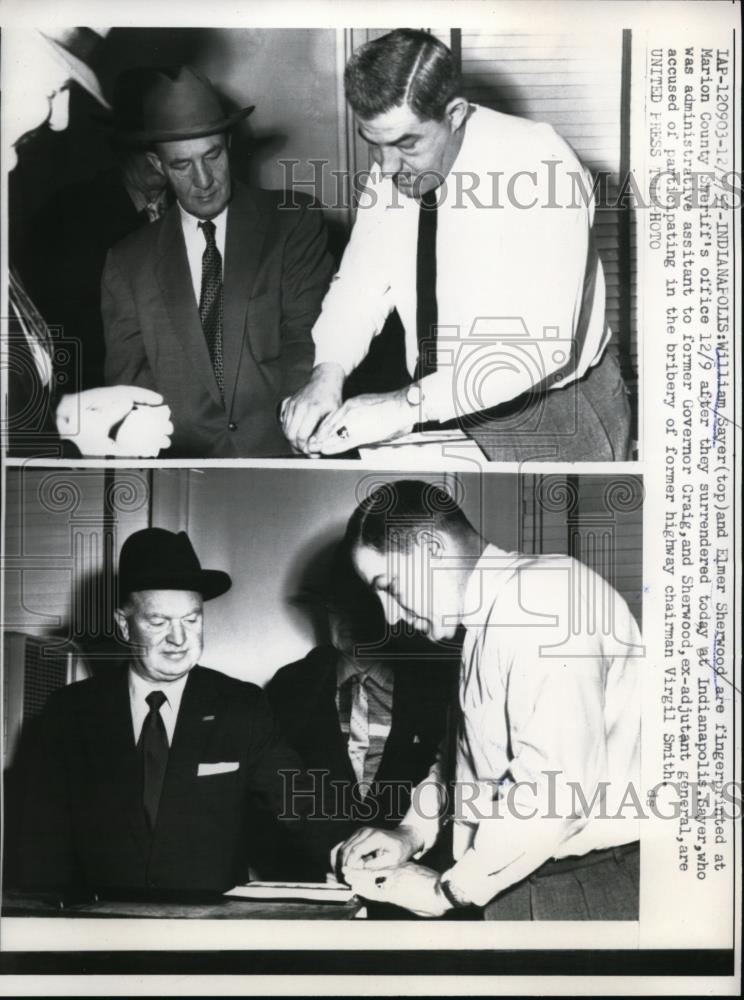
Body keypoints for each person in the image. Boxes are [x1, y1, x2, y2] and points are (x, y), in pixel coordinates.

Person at [281, 29, 632, 462]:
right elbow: (362, 281)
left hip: (548, 410)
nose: (386, 167)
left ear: (456, 113)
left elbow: (542, 347)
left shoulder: (543, 167)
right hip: (433, 402)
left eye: (406, 143)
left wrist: (402, 406)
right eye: (373, 143)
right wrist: (327, 371)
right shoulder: (396, 164)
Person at [335, 480, 642, 919]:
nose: (391, 616)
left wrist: (448, 891)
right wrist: (409, 833)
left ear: (432, 549)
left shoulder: (540, 600)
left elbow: (554, 793)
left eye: (390, 586)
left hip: (578, 886)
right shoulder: (491, 618)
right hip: (519, 880)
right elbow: (462, 762)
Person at [13, 528, 328, 896]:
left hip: (204, 938)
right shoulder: (69, 713)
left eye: (191, 620)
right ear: (123, 624)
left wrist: (349, 848)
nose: (179, 639)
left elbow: (299, 799)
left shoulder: (242, 706)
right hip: (101, 935)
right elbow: (37, 846)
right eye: (159, 622)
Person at [102, 66, 335, 458]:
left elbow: (307, 339)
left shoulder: (293, 220)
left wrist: (293, 435)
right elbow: (131, 394)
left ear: (229, 144)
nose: (204, 179)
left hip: (286, 453)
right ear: (157, 165)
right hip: (184, 465)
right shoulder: (127, 264)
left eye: (212, 156)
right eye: (181, 165)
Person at [2, 28, 173, 459]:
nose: (58, 119)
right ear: (125, 147)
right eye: (158, 145)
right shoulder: (71, 217)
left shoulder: (196, 217)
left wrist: (66, 417)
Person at [260, 543, 455, 880]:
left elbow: (451, 785)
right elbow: (271, 793)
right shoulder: (291, 685)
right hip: (314, 884)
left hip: (412, 887)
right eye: (337, 607)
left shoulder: (434, 685)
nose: (350, 620)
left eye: (364, 607)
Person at [29, 67, 172, 392]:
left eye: (168, 145)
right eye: (143, 146)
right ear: (119, 147)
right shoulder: (67, 217)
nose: (156, 159)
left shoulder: (199, 206)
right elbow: (67, 339)